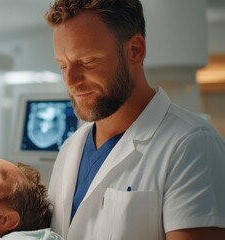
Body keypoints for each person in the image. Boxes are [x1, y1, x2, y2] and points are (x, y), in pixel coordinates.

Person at [44, 0, 225, 239]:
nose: (71, 80)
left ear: (135, 51)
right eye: (63, 65)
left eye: (87, 61)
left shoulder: (191, 144)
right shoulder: (70, 148)